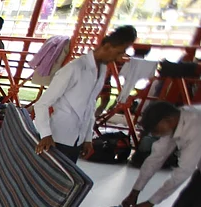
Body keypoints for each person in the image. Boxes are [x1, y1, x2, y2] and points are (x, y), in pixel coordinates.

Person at [34, 25, 138, 163]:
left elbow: (90, 106)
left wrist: (88, 138)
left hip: (77, 139)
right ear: (107, 47)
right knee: (51, 181)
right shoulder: (74, 68)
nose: (119, 58)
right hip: (56, 137)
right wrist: (45, 134)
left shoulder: (101, 70)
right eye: (119, 52)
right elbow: (42, 104)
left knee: (68, 182)